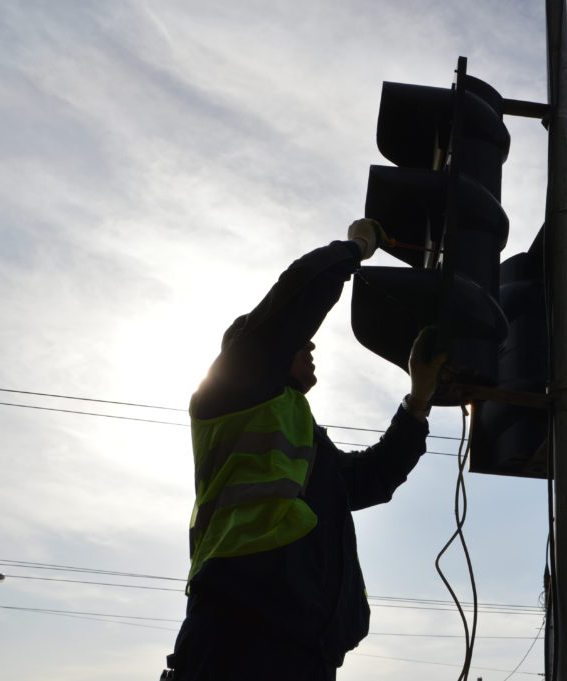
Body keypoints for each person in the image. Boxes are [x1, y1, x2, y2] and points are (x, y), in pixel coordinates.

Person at [162, 219, 444, 680]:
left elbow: (372, 478)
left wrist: (418, 398)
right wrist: (356, 246)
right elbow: (298, 294)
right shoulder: (234, 388)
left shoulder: (298, 427)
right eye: (299, 342)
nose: (309, 345)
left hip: (306, 651)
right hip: (244, 634)